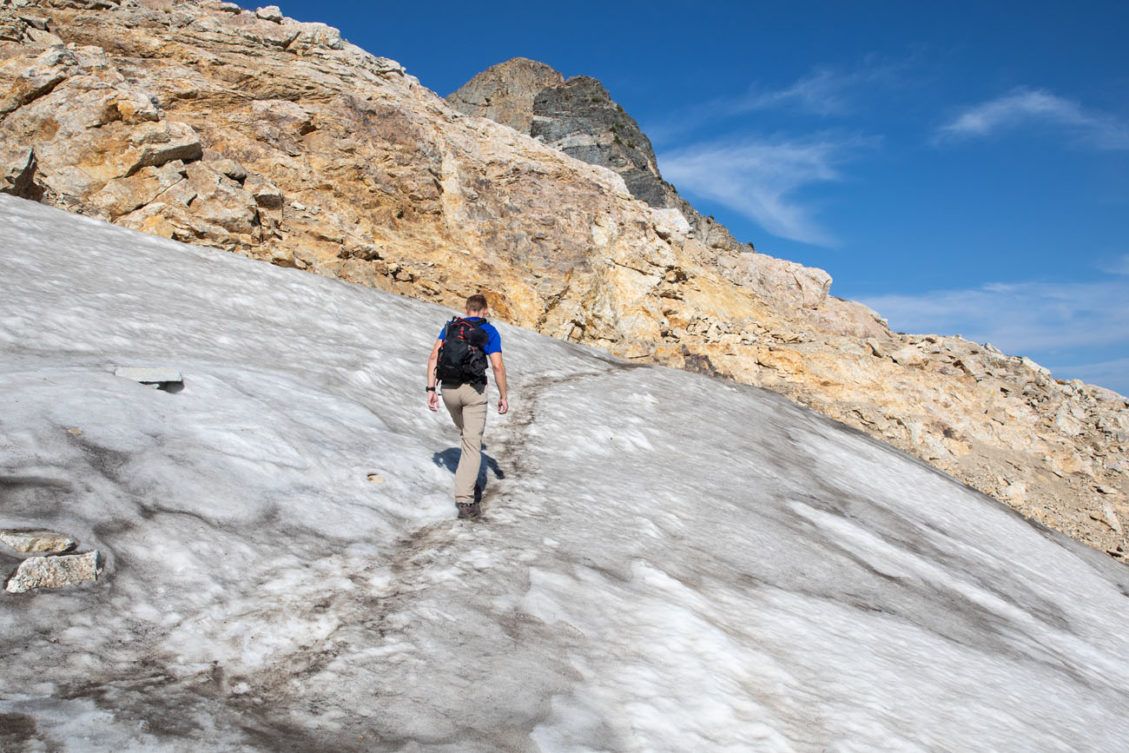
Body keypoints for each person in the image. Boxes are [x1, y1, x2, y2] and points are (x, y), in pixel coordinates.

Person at [426, 294, 508, 519]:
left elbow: (433, 357)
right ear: (485, 310)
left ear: (466, 308)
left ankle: (468, 480)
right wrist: (503, 395)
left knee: (466, 435)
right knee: (472, 444)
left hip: (448, 390)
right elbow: (498, 366)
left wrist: (431, 389)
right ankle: (465, 500)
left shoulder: (451, 327)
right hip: (474, 392)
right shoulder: (489, 330)